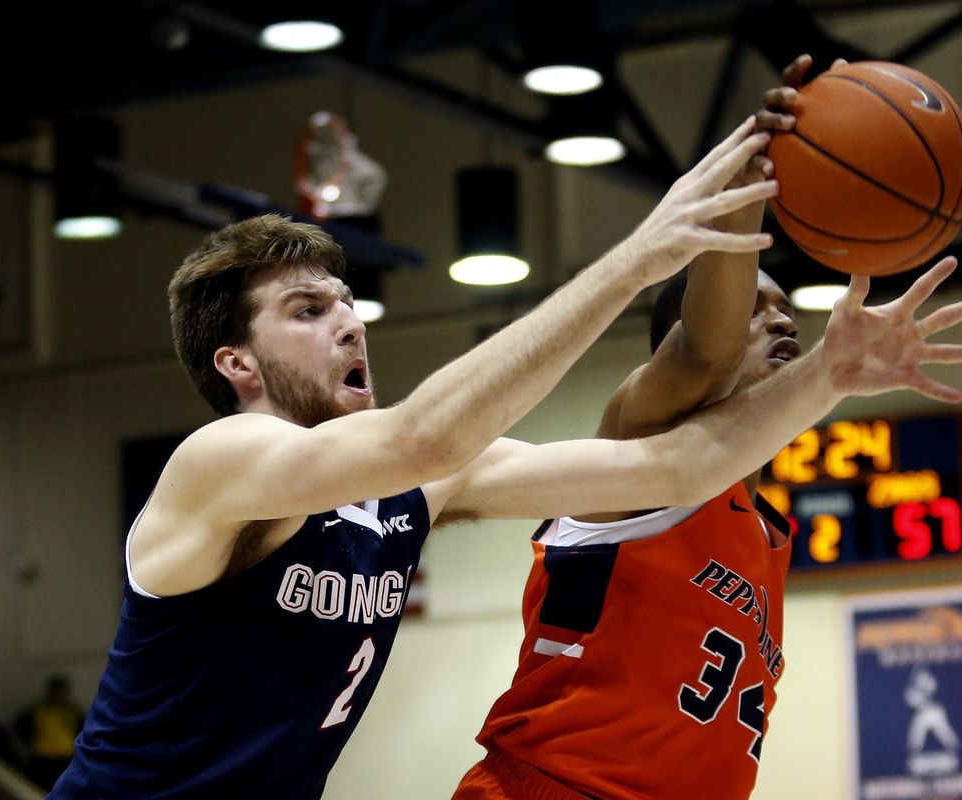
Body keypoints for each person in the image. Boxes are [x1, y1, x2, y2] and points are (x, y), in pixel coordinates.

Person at [46, 121, 781, 800]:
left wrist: (840, 370)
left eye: (345, 303)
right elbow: (427, 438)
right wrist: (634, 261)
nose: (348, 323)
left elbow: (676, 473)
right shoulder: (222, 460)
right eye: (308, 311)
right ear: (237, 362)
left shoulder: (409, 490)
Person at [451, 55, 962, 800]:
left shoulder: (766, 537)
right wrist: (752, 183)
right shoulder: (635, 446)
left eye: (787, 310)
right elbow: (708, 348)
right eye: (756, 309)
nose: (783, 319)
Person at [15, 675, 85, 790]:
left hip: (65, 757)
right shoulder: (37, 709)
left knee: (64, 789)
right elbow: (21, 727)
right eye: (55, 690)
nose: (58, 694)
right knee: (39, 789)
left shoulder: (73, 711)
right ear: (50, 690)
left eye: (61, 690)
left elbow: (83, 731)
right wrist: (29, 742)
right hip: (42, 756)